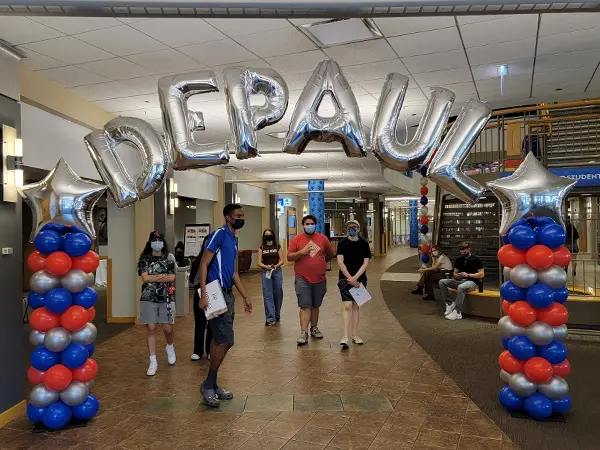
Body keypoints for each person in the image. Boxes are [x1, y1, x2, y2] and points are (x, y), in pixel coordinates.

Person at [198, 204, 252, 408]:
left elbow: (235, 273)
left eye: (242, 215)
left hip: (227, 295)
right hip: (214, 293)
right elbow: (204, 263)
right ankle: (208, 383)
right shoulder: (218, 235)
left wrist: (245, 296)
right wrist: (204, 295)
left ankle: (213, 384)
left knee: (219, 340)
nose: (241, 218)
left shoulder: (234, 239)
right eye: (238, 216)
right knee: (227, 340)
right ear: (228, 217)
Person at [287, 214, 335, 345]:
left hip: (319, 279)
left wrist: (321, 262)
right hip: (302, 278)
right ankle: (304, 332)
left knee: (315, 305)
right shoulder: (296, 239)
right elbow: (289, 257)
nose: (309, 226)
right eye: (307, 224)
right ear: (303, 225)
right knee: (305, 305)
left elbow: (331, 253)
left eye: (311, 223)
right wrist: (301, 253)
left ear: (315, 225)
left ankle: (314, 328)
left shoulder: (322, 239)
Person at [137, 231, 177, 376]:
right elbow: (145, 279)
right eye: (155, 240)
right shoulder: (145, 258)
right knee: (151, 328)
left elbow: (172, 277)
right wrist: (162, 276)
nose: (157, 243)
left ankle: (170, 346)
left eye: (159, 240)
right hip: (148, 297)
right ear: (150, 242)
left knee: (167, 328)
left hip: (166, 297)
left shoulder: (169, 257)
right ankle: (153, 360)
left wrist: (153, 277)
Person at [336, 220, 371, 348]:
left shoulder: (364, 244)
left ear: (358, 228)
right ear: (347, 229)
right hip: (345, 279)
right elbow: (340, 262)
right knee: (347, 306)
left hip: (360, 280)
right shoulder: (342, 243)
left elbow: (365, 263)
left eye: (355, 227)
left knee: (356, 306)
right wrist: (349, 277)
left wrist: (355, 278)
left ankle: (355, 334)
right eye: (350, 227)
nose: (352, 229)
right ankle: (344, 336)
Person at [438, 242, 484, 321]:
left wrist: (468, 275)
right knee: (442, 282)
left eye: (465, 252)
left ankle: (458, 312)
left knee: (461, 287)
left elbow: (481, 274)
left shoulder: (476, 260)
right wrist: (458, 275)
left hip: (471, 282)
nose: (463, 254)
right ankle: (449, 303)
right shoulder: (459, 259)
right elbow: (455, 273)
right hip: (459, 280)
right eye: (461, 252)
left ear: (469, 249)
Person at [189, 237, 213, 361]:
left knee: (212, 323)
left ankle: (210, 350)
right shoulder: (197, 260)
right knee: (199, 322)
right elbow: (192, 279)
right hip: (199, 293)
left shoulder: (215, 260)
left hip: (213, 292)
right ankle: (197, 350)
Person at [258, 228, 284, 326]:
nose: (268, 236)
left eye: (269, 234)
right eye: (266, 234)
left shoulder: (277, 246)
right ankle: (270, 318)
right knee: (268, 294)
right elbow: (259, 262)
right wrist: (266, 266)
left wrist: (275, 266)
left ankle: (277, 314)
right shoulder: (261, 248)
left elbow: (282, 260)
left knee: (278, 292)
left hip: (276, 271)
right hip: (266, 272)